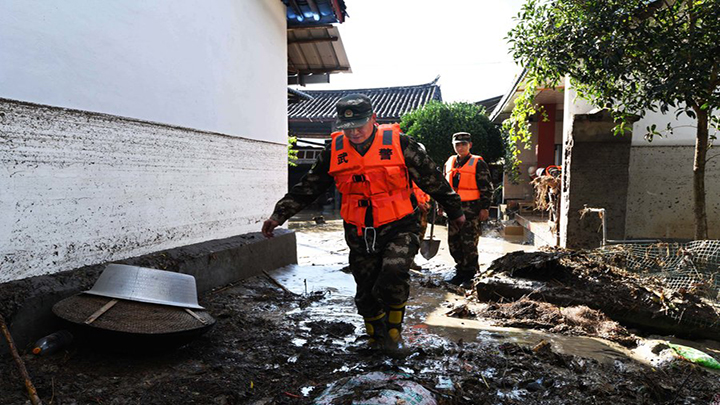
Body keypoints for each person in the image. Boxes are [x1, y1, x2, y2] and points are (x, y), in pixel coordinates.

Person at [262, 94, 465, 350]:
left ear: (373, 118)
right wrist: (278, 215)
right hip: (359, 230)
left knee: (393, 272)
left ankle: (393, 336)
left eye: (359, 125)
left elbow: (431, 179)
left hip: (400, 223)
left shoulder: (400, 144)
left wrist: (455, 211)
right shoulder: (334, 152)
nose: (354, 132)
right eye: (347, 127)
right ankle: (374, 337)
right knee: (365, 289)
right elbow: (308, 187)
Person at [442, 132, 493, 287]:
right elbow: (443, 187)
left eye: (464, 144)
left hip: (471, 211)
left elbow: (487, 188)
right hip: (453, 210)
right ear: (453, 146)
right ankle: (460, 271)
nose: (460, 147)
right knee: (454, 243)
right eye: (457, 144)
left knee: (469, 244)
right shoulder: (449, 162)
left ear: (470, 145)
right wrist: (440, 206)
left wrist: (485, 208)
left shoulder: (478, 163)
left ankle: (470, 275)